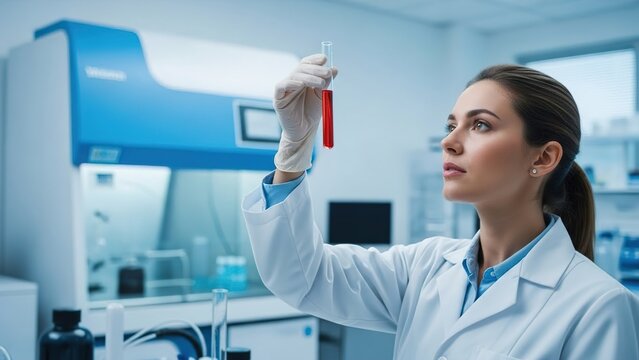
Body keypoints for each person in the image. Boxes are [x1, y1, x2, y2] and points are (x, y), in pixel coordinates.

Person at [241, 54, 639, 359]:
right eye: (452, 125)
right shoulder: (426, 266)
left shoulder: (598, 305)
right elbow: (304, 279)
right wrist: (292, 154)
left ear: (543, 158)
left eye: (480, 124)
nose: (449, 141)